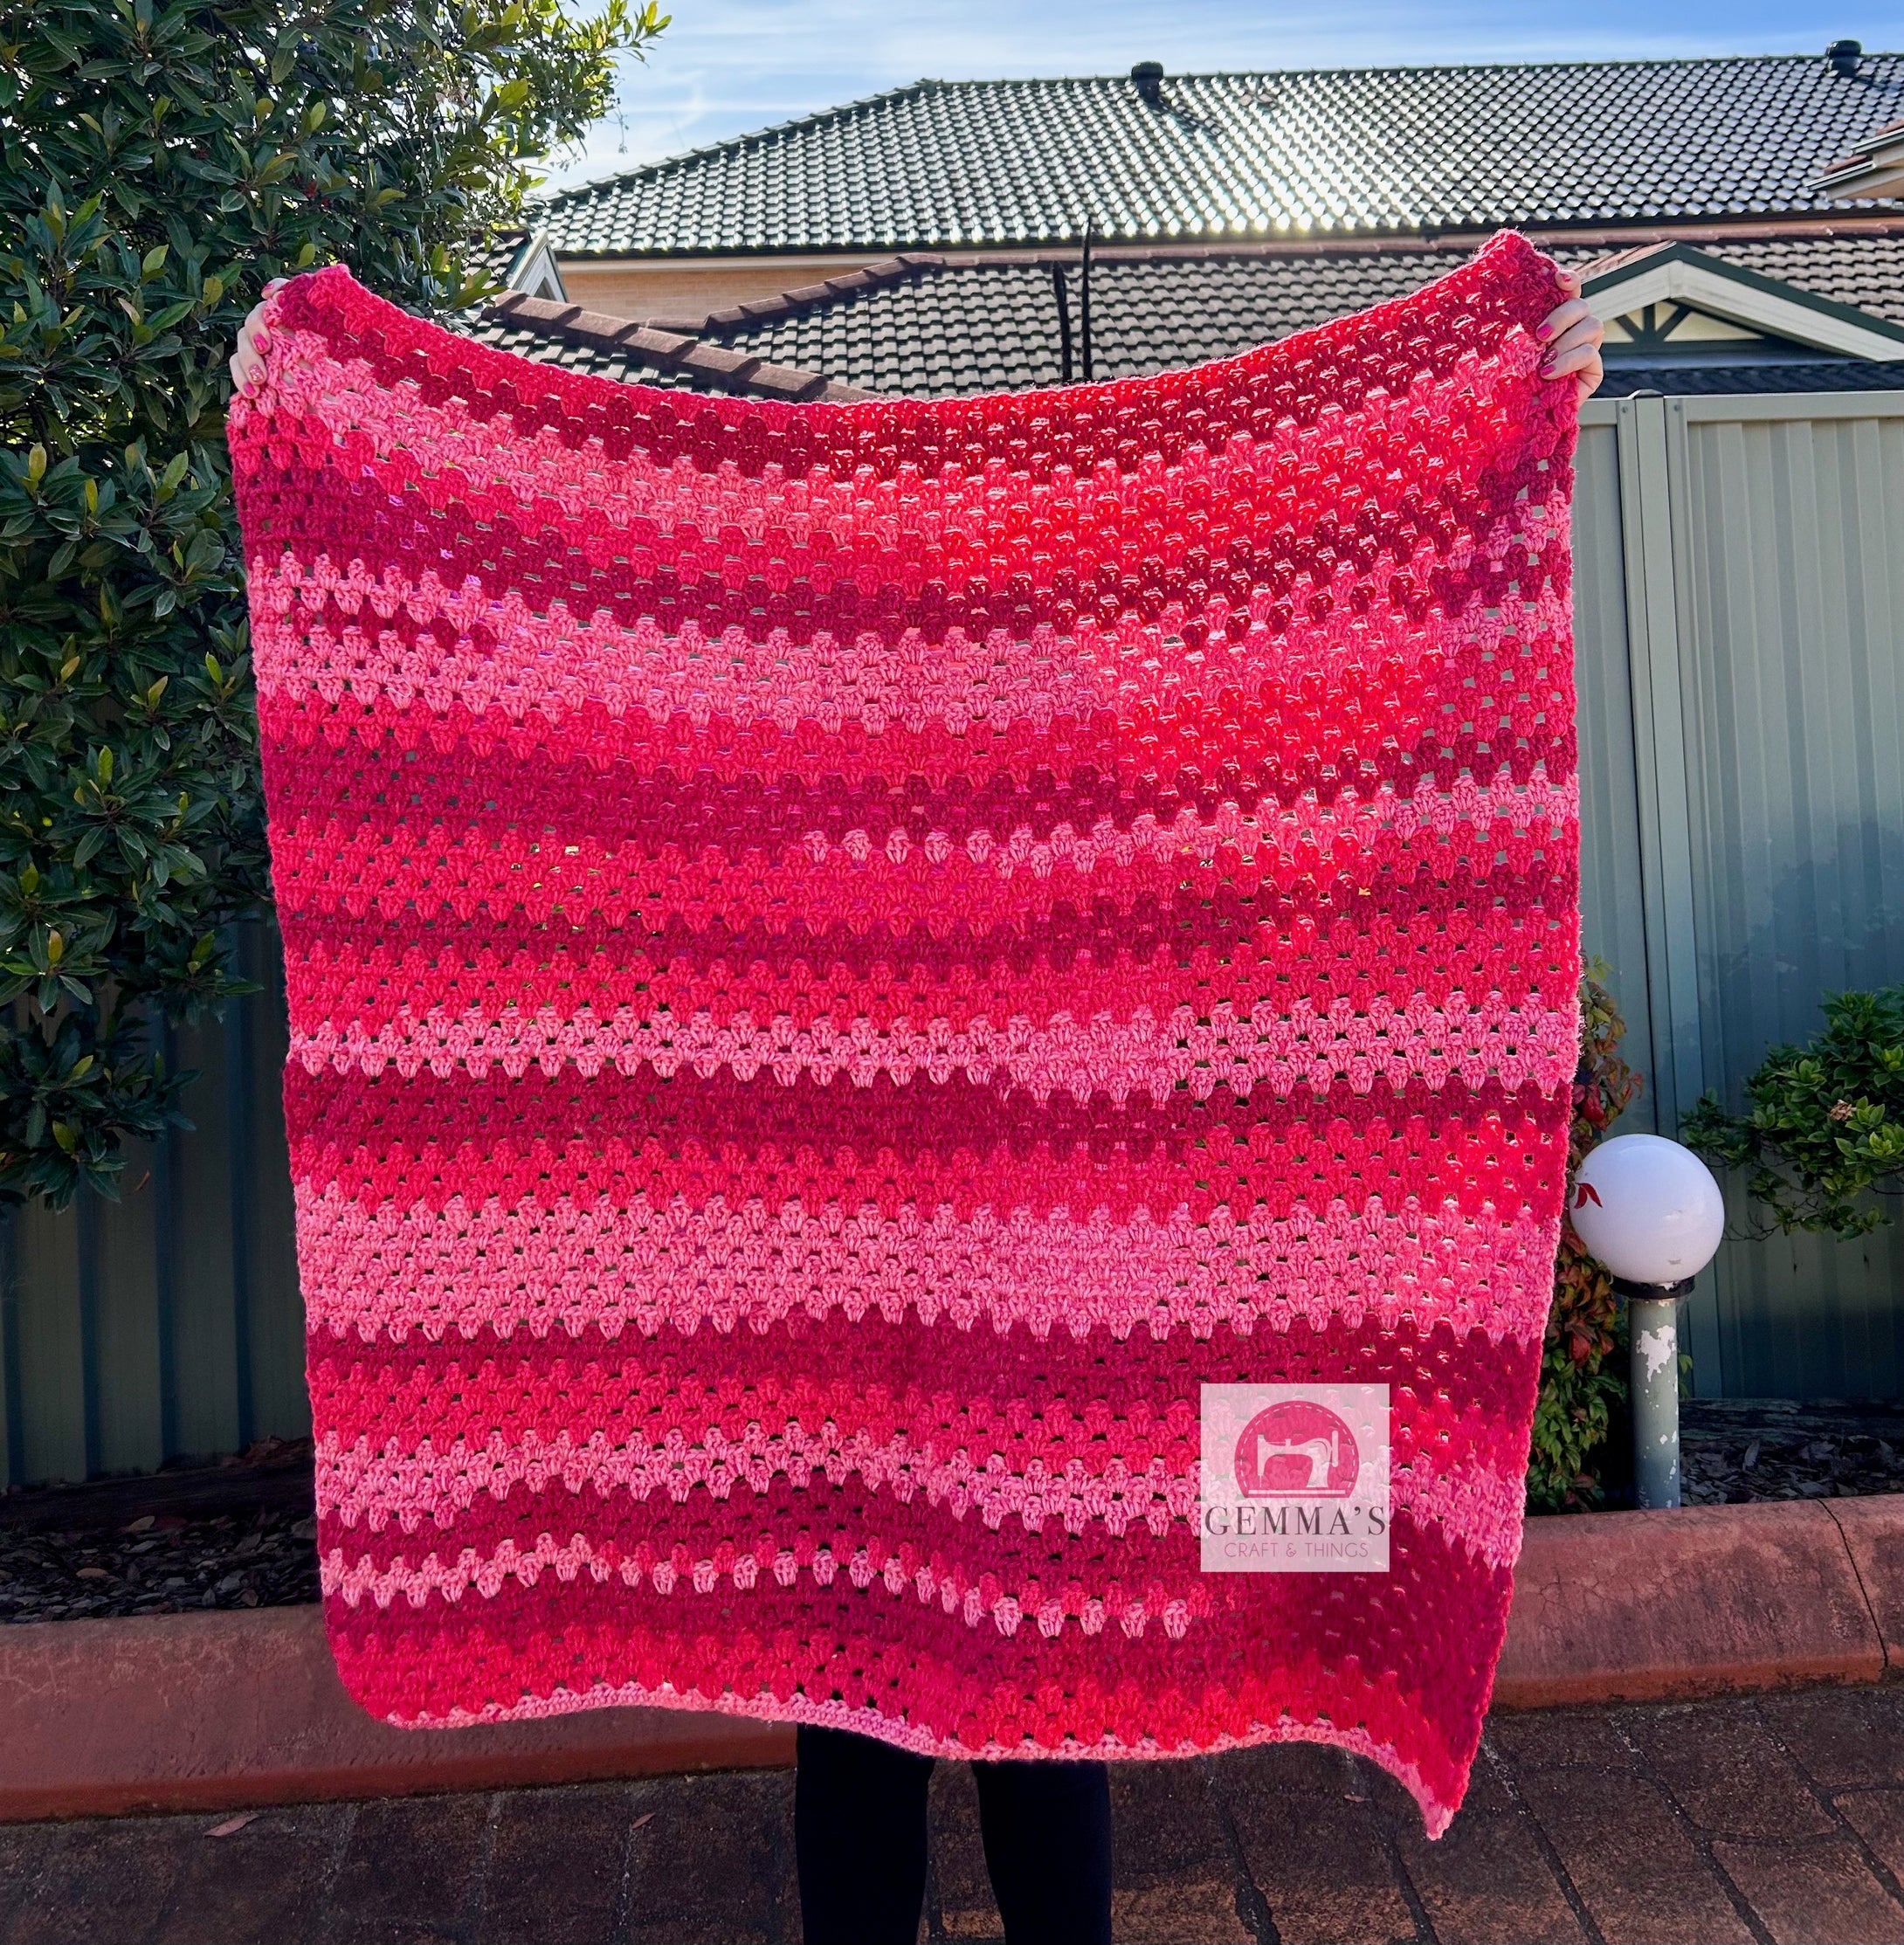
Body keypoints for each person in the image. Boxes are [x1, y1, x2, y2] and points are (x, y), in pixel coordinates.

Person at [226, 270, 1601, 1945]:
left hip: (1068, 1294)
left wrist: (1512, 405)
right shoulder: (794, 722)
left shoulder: (1093, 730)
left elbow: (1273, 872)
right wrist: (306, 389)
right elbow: (600, 779)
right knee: (867, 1703)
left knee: (1043, 1698)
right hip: (837, 1314)